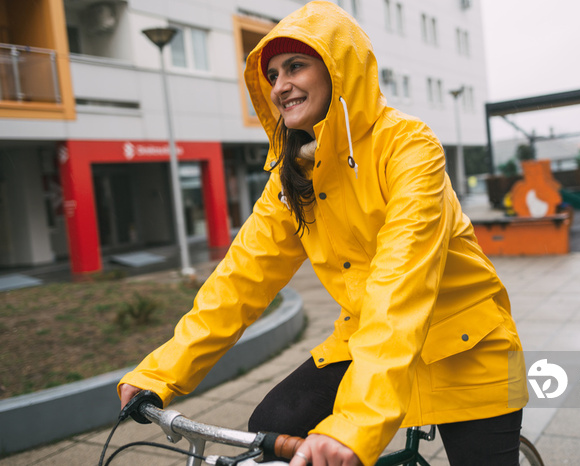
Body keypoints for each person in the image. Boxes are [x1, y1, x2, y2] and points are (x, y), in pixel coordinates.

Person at [119, 2, 528, 465]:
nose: (280, 85)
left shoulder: (411, 147)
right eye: (272, 74)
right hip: (367, 343)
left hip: (466, 350)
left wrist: (354, 423)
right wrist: (160, 371)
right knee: (270, 431)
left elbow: (401, 283)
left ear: (339, 69)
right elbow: (239, 280)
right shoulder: (294, 175)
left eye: (296, 66)